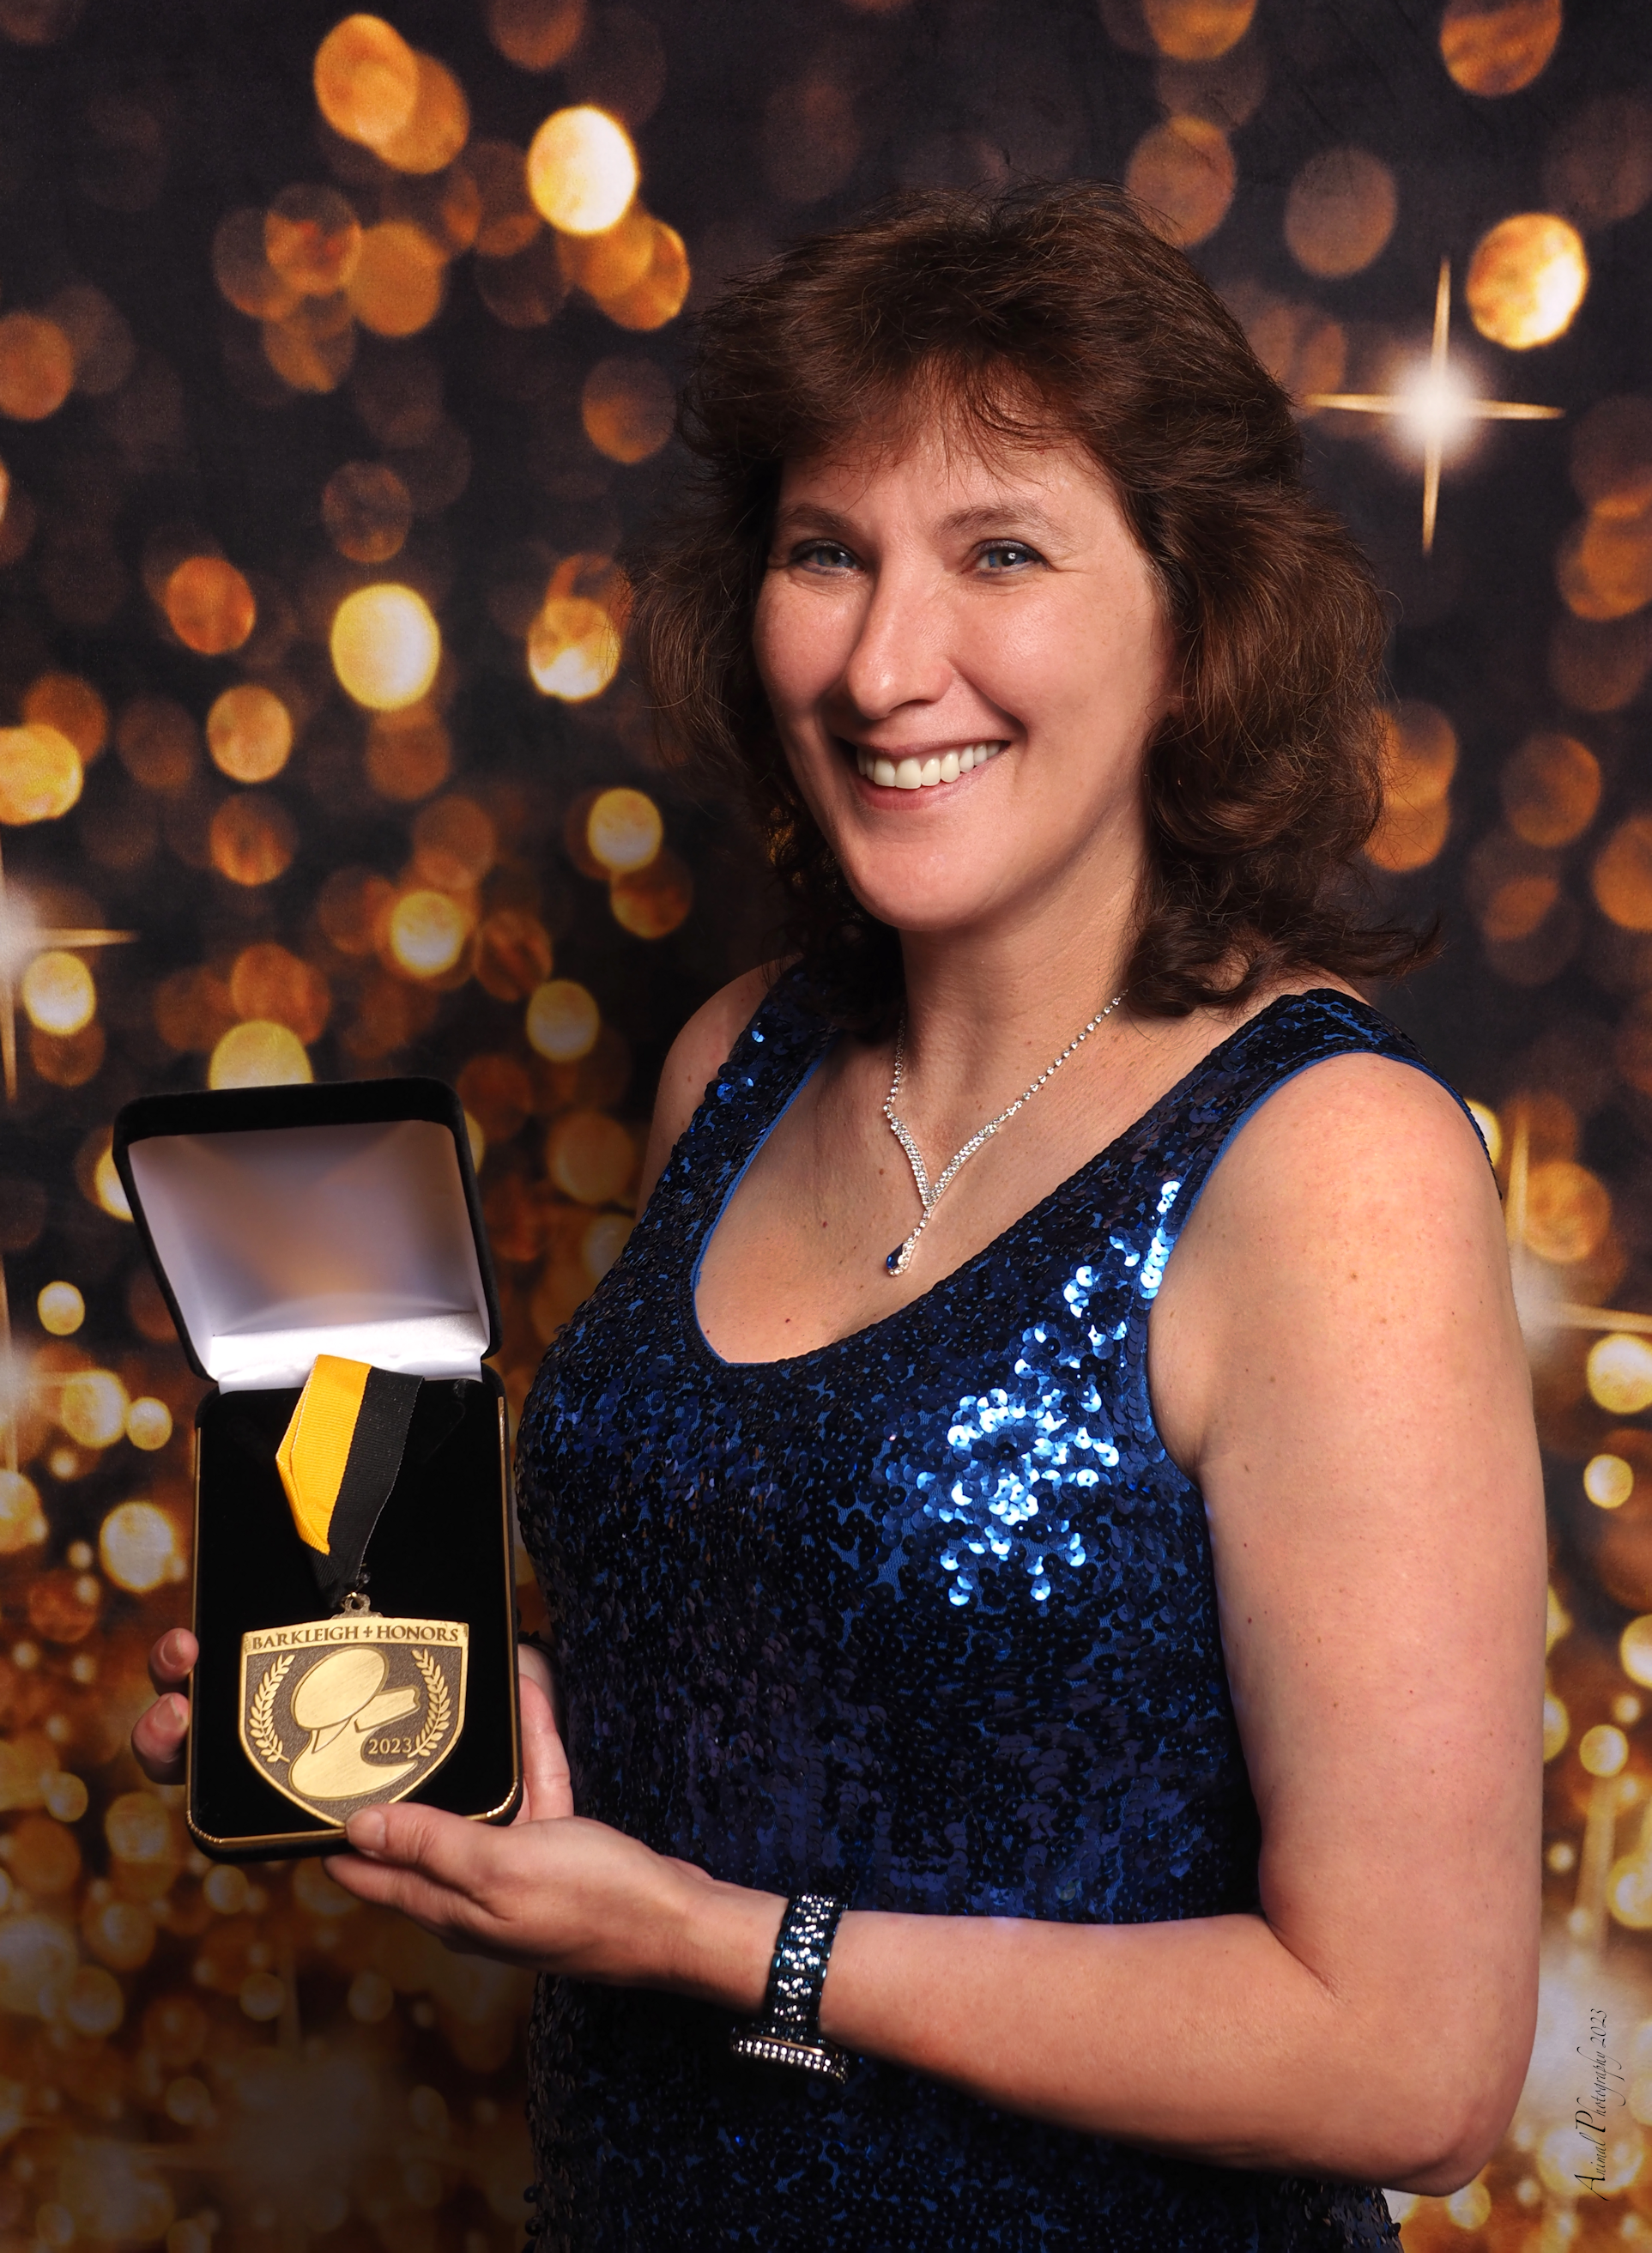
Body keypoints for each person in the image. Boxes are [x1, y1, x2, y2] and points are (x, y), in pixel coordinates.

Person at [136, 182, 1546, 2249]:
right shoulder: (736, 1062)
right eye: (826, 553)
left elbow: (1411, 2061)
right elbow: (829, 1700)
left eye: (999, 553)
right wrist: (501, 1759)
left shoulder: (1330, 1162)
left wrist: (720, 1941)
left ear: (1194, 626)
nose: (888, 664)